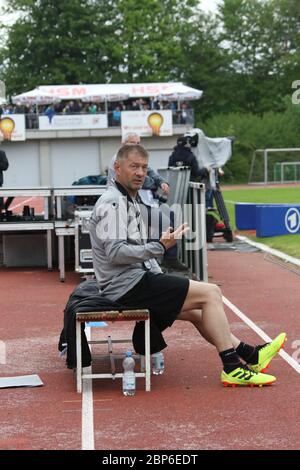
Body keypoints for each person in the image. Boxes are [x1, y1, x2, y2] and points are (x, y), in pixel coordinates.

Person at [89, 144, 286, 387]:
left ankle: (251, 355)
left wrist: (157, 264)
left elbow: (134, 249)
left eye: (144, 167)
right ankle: (232, 367)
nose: (140, 173)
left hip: (133, 281)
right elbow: (116, 254)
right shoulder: (114, 203)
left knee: (198, 310)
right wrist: (160, 246)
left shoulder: (127, 198)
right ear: (117, 168)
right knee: (211, 293)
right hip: (126, 287)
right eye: (134, 167)